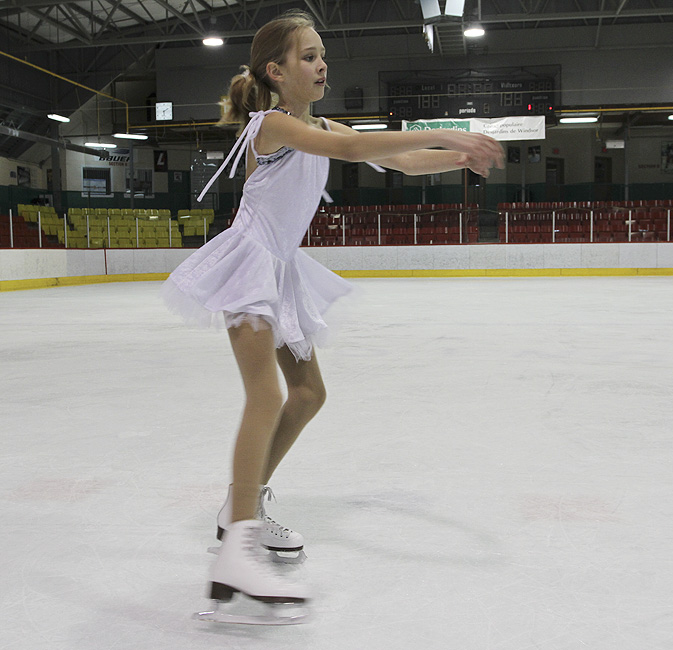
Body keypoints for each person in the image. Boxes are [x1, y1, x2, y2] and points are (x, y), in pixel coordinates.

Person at [161, 10, 504, 623]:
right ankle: (236, 547)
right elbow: (350, 148)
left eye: (323, 55)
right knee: (266, 397)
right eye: (309, 56)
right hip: (250, 266)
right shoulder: (272, 125)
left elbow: (396, 161)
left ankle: (240, 507)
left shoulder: (316, 123)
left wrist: (455, 160)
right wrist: (453, 133)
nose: (322, 65)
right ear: (277, 70)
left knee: (308, 393)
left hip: (282, 270)